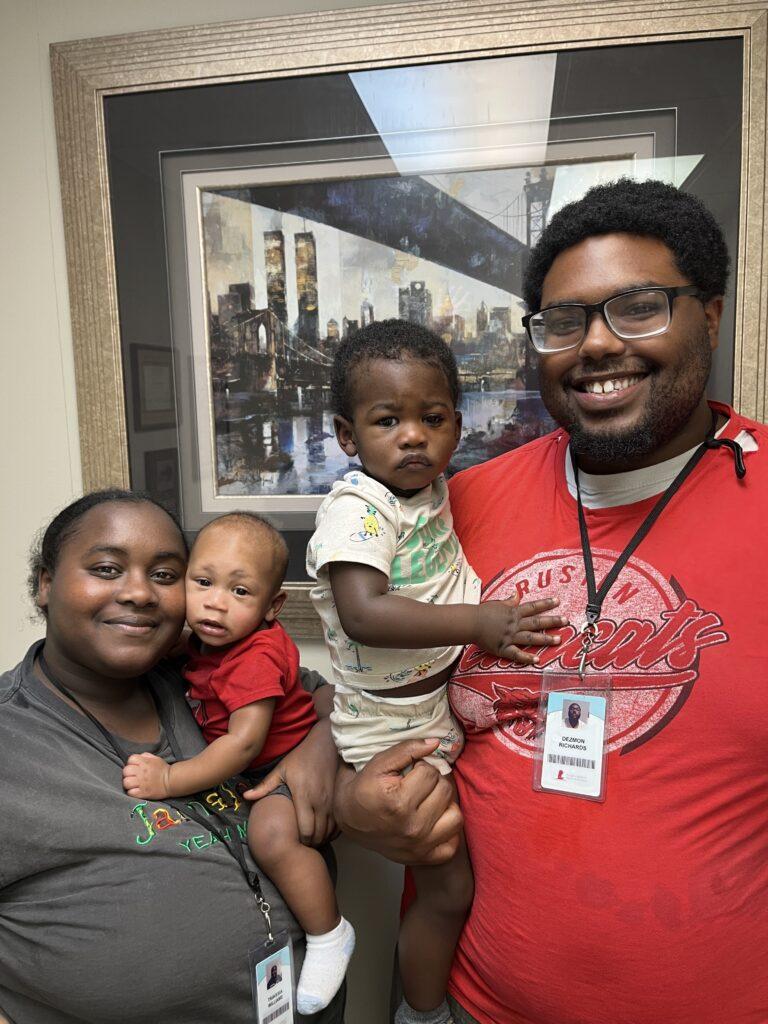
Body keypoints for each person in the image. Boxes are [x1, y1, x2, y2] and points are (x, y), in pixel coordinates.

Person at [334, 179, 768, 1024]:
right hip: (468, 1003)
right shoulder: (453, 507)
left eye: (638, 307)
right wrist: (350, 800)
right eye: (565, 321)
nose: (597, 344)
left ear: (710, 318)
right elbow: (372, 667)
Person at [0, 490, 345, 1024]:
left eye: (164, 575)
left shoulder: (206, 668)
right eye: (107, 568)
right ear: (46, 583)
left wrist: (320, 748)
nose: (140, 593)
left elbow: (327, 700)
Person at [308, 320, 565, 1024]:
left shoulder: (431, 489)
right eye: (387, 420)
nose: (413, 437)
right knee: (448, 890)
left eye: (433, 418)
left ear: (456, 423)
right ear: (347, 435)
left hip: (431, 711)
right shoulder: (359, 509)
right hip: (392, 727)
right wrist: (480, 623)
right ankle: (421, 1015)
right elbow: (364, 613)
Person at [121, 511, 354, 1015]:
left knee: (270, 838)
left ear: (273, 606)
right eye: (202, 582)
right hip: (262, 763)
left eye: (241, 592)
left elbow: (244, 744)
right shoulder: (205, 642)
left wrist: (170, 778)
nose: (215, 602)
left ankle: (329, 934)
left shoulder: (254, 657)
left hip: (281, 764)